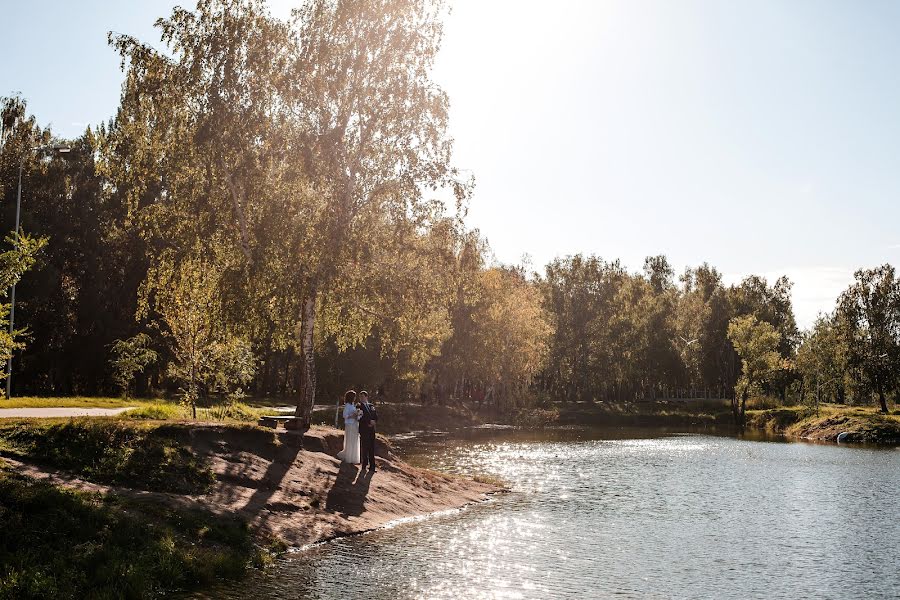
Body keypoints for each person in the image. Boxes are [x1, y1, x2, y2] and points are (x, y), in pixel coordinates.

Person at [336, 390, 361, 464]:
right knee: (350, 440)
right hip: (350, 425)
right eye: (354, 397)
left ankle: (353, 457)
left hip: (354, 424)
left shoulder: (352, 405)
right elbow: (345, 416)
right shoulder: (347, 405)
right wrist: (352, 415)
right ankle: (348, 457)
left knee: (354, 440)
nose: (355, 398)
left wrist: (358, 415)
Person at [358, 390, 378, 472]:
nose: (361, 398)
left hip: (372, 429)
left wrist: (374, 421)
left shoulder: (371, 406)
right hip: (364, 429)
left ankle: (372, 467)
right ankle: (364, 465)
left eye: (363, 396)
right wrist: (368, 422)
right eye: (360, 397)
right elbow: (360, 417)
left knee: (372, 447)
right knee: (365, 447)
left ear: (366, 397)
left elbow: (375, 415)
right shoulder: (359, 406)